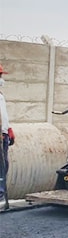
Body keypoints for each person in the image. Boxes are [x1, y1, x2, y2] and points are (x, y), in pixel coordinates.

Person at [0, 63, 13, 210]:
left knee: (4, 165)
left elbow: (3, 115)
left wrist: (8, 129)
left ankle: (1, 193)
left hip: (3, 135)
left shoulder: (1, 96)